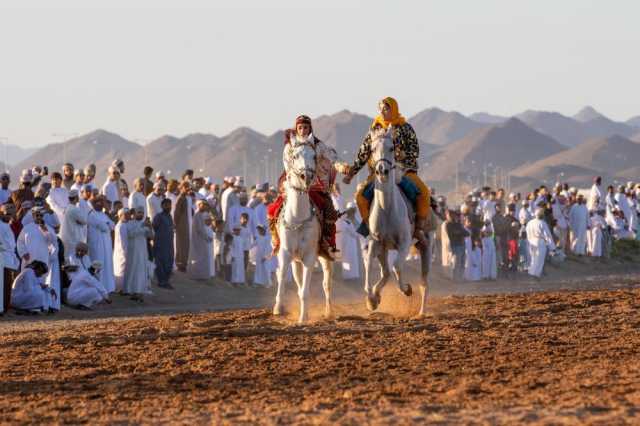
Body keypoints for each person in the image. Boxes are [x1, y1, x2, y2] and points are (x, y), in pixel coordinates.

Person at [342, 97, 431, 246]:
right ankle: (368, 228)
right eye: (381, 109)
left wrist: (401, 157)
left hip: (403, 171)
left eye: (386, 108)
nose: (383, 112)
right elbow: (363, 154)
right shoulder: (374, 129)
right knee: (360, 196)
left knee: (424, 193)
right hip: (378, 174)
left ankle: (419, 229)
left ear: (394, 109)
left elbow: (414, 151)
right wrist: (352, 173)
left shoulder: (405, 128)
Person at [267, 115, 342, 259]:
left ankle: (326, 244)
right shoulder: (290, 145)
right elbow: (287, 165)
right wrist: (295, 180)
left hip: (315, 185)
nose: (302, 130)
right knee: (274, 209)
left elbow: (331, 156)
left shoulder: (318, 145)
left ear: (310, 128)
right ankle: (277, 240)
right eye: (300, 127)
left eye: (305, 127)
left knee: (330, 211)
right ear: (296, 128)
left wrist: (341, 166)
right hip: (294, 184)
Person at [123, 207, 154, 301]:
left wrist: (150, 227)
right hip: (133, 252)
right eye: (139, 212)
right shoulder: (129, 223)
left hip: (143, 251)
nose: (141, 214)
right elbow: (131, 234)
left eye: (142, 212)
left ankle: (140, 291)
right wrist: (143, 228)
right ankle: (132, 291)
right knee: (133, 270)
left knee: (141, 271)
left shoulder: (144, 223)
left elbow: (151, 236)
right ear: (134, 213)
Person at [86, 196, 115, 293]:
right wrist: (106, 224)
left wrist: (107, 222)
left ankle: (107, 288)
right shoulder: (91, 215)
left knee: (107, 265)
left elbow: (112, 225)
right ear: (94, 204)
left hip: (106, 245)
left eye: (101, 203)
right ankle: (97, 288)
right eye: (98, 202)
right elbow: (104, 227)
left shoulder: (104, 214)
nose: (100, 204)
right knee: (98, 265)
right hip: (97, 245)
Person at [187, 202, 214, 280]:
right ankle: (196, 275)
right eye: (203, 206)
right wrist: (206, 237)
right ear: (199, 206)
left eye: (205, 206)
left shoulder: (201, 215)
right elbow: (199, 229)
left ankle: (202, 275)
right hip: (198, 239)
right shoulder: (197, 215)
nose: (204, 207)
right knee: (198, 257)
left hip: (202, 238)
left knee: (202, 256)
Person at [526, 208, 556, 278]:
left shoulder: (530, 222)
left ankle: (531, 273)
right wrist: (552, 247)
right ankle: (535, 275)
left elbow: (527, 232)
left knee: (533, 258)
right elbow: (548, 236)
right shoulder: (542, 223)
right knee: (539, 259)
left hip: (530, 241)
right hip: (539, 242)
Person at [0, 205, 19, 312]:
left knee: (7, 285)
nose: (9, 216)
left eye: (10, 214)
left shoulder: (7, 226)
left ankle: (4, 308)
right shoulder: (3, 226)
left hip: (8, 258)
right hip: (3, 258)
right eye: (7, 214)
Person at [152, 199, 175, 289]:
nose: (168, 207)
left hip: (169, 244)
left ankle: (166, 281)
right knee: (161, 262)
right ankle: (161, 282)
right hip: (160, 244)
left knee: (169, 262)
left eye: (169, 205)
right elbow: (154, 227)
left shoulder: (170, 216)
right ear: (162, 206)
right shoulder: (158, 216)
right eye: (166, 205)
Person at [336, 203, 361, 280]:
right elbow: (355, 233)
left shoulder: (353, 221)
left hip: (352, 244)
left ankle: (353, 276)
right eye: (352, 211)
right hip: (347, 244)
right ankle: (348, 277)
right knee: (348, 260)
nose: (353, 213)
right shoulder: (346, 222)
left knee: (353, 260)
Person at [59, 190, 87, 256]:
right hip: (73, 239)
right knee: (73, 260)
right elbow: (84, 221)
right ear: (76, 198)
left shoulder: (67, 208)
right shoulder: (75, 209)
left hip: (67, 238)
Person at [174, 181, 193, 272]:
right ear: (182, 188)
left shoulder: (187, 198)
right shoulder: (180, 198)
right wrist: (176, 225)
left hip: (188, 224)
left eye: (189, 188)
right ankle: (180, 264)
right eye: (186, 188)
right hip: (181, 225)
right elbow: (176, 213)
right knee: (181, 245)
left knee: (186, 245)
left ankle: (185, 263)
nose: (188, 189)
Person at [445, 210, 469, 282]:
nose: (454, 216)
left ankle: (460, 278)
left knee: (462, 262)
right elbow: (454, 233)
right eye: (451, 215)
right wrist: (460, 232)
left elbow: (467, 233)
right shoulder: (448, 224)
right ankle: (455, 278)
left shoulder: (458, 224)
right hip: (455, 245)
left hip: (461, 245)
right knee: (456, 263)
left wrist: (460, 232)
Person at [112, 208, 129, 292]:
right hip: (121, 252)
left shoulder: (125, 224)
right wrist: (125, 253)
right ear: (120, 216)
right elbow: (122, 242)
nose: (128, 216)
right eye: (126, 214)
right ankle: (120, 289)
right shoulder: (120, 226)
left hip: (125, 251)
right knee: (120, 270)